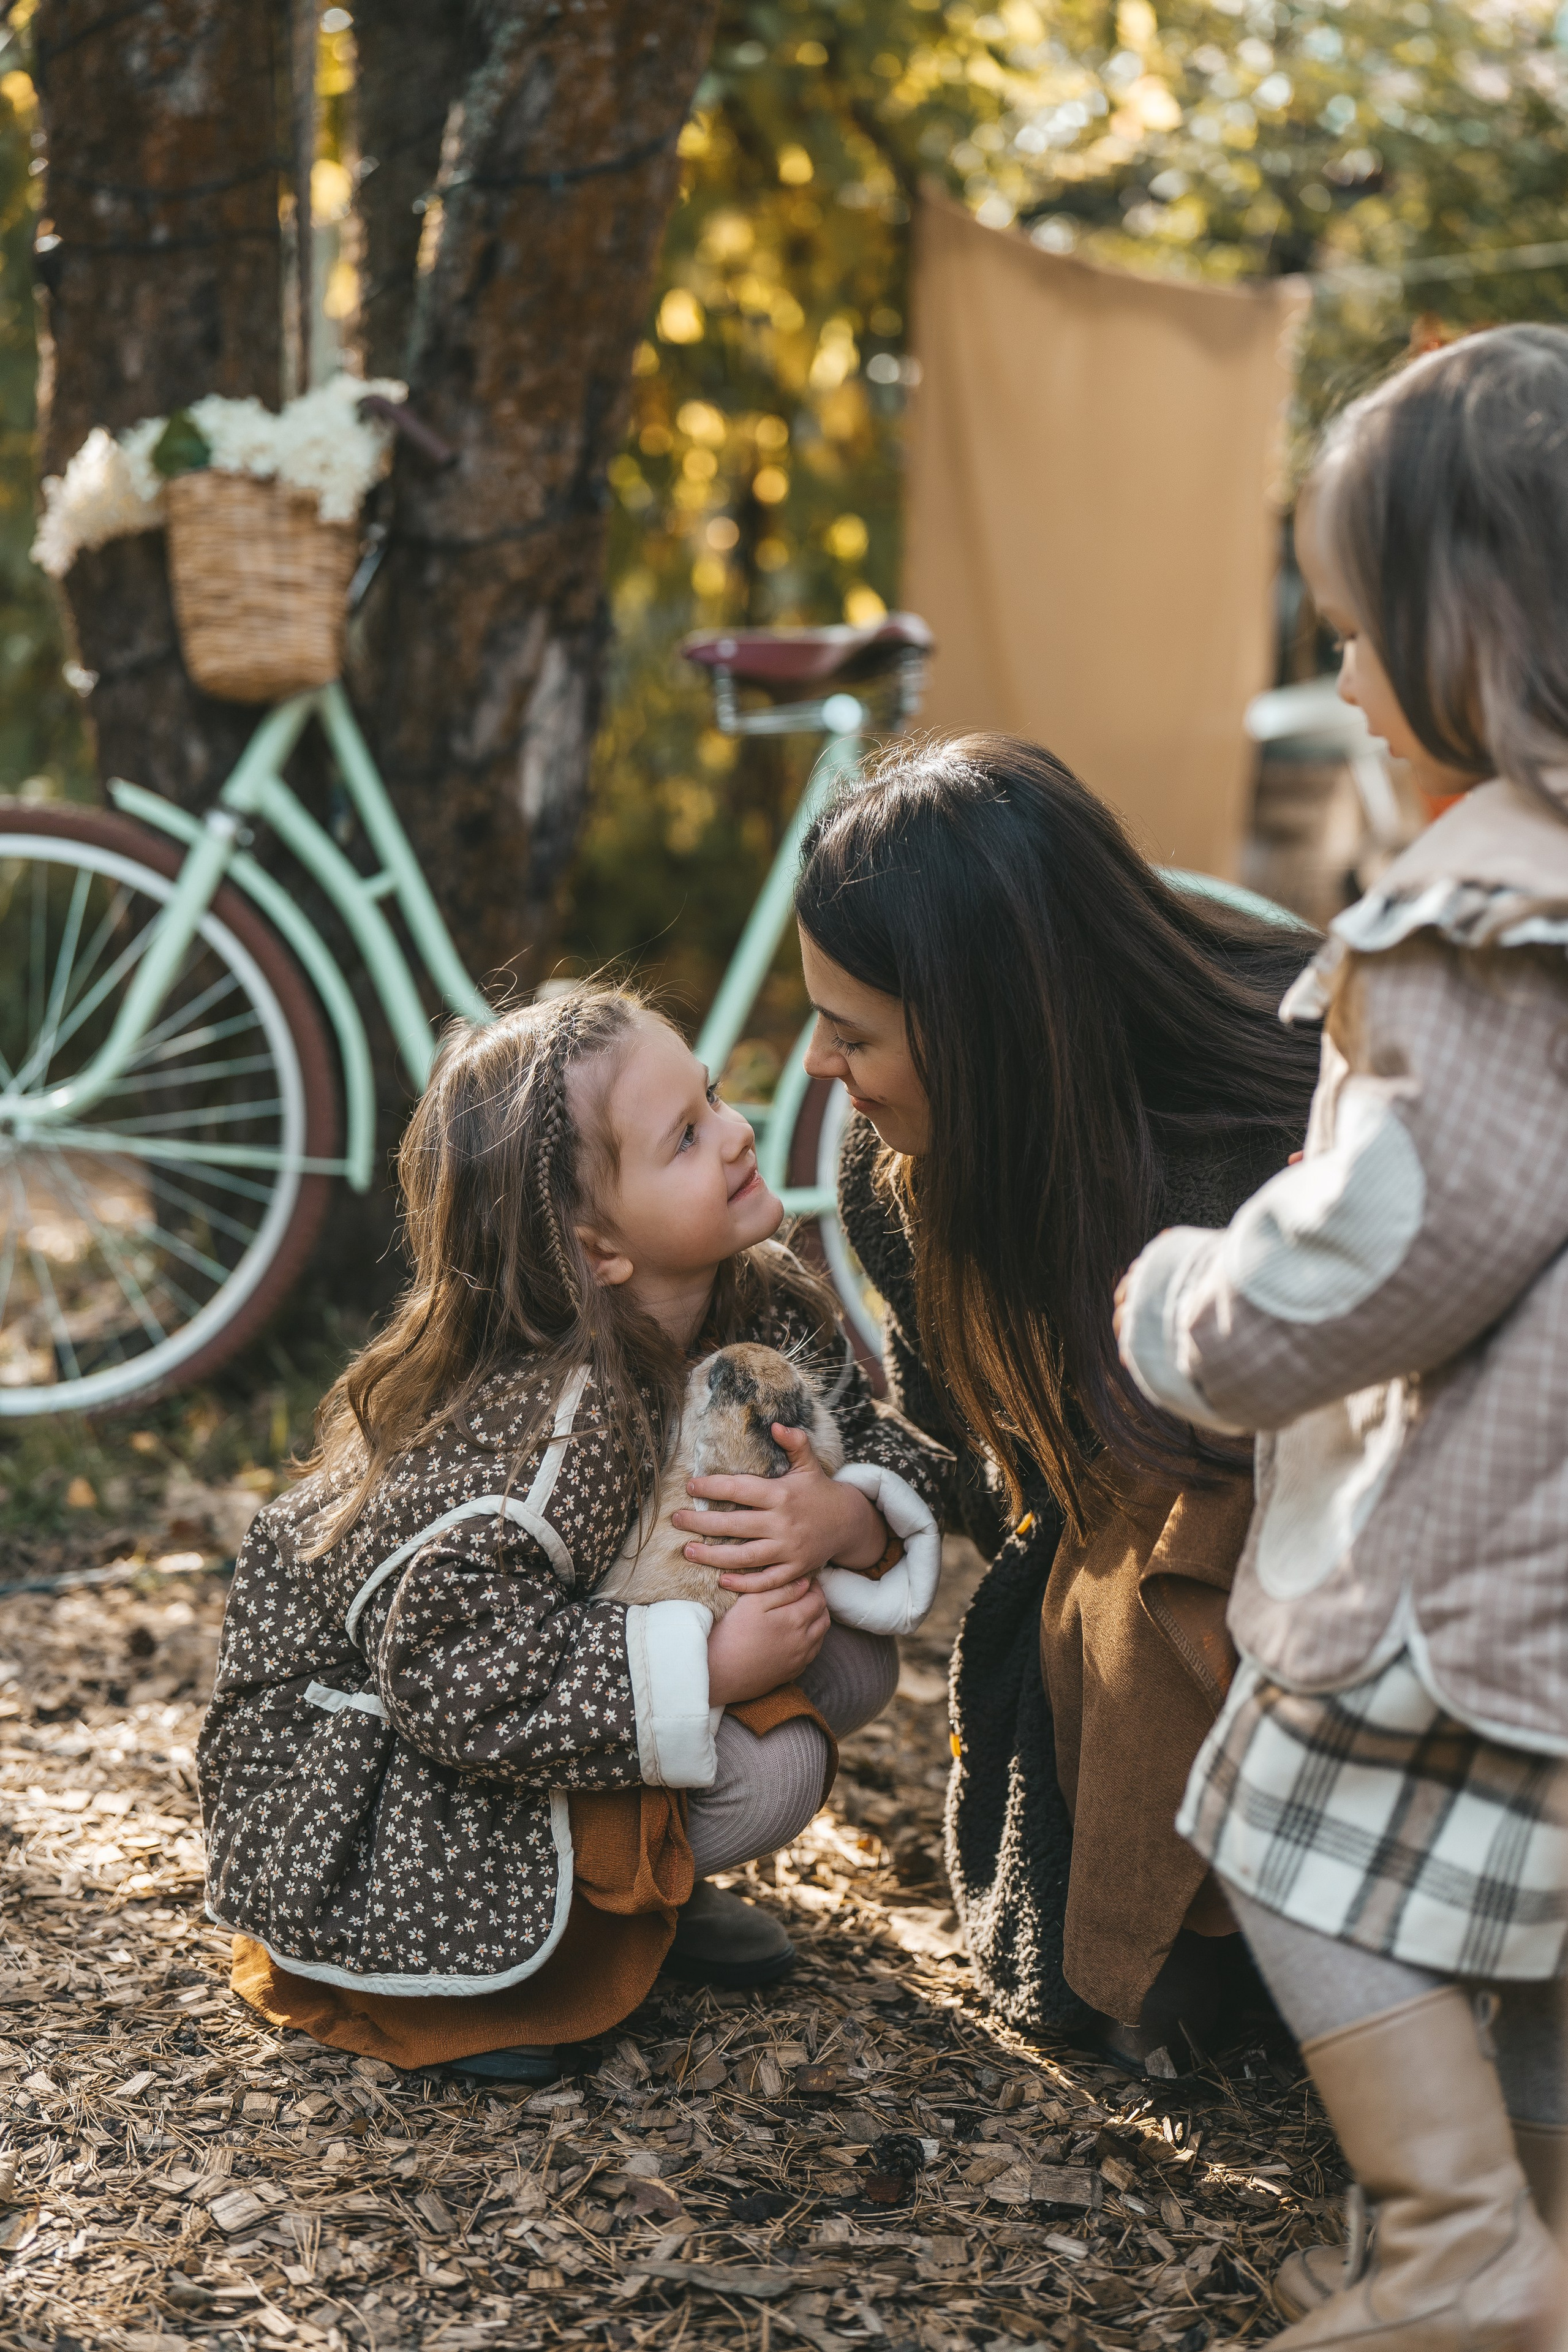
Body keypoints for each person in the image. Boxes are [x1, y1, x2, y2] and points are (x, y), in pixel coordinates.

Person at [1115, 324, 1568, 2345]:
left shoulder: (1484, 929)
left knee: (1281, 1827)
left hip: (1489, 1544)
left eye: (1362, 631)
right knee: (1536, 1931)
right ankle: (1522, 2255)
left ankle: (1454, 2238)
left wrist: (1189, 1314)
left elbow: (1402, 1238)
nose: (1347, 674)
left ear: (1474, 640)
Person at [198, 987, 948, 2082]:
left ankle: (643, 1883)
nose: (736, 1133)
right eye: (685, 1136)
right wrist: (708, 1669)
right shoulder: (548, 1419)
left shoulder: (764, 1300)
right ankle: (525, 1950)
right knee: (778, 1769)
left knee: (848, 1654)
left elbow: (897, 1446)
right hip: (399, 1772)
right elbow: (451, 1673)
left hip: (551, 1692)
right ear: (596, 1248)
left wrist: (843, 1516)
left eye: (713, 1097)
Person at [793, 734, 1321, 2071]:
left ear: (984, 1028)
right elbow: (974, 1469)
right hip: (1119, 1614)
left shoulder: (1293, 1104)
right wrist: (860, 1508)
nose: (815, 1066)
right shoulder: (897, 1179)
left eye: (851, 1032)